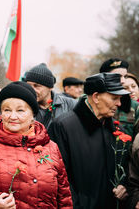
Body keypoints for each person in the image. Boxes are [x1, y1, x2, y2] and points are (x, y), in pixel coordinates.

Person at [0, 81, 72, 209]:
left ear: (33, 114)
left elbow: (64, 197)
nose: (12, 116)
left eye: (20, 110)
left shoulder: (51, 147)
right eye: (7, 110)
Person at [48, 73, 130, 209]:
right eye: (114, 98)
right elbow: (57, 177)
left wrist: (124, 186)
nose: (119, 103)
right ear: (96, 97)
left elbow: (126, 169)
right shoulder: (63, 127)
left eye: (120, 98)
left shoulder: (118, 130)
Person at [23, 63, 76, 129]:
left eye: (37, 86)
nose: (32, 90)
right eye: (29, 86)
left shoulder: (70, 104)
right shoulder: (23, 105)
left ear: (50, 87)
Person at [100, 58, 139, 137]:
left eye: (125, 76)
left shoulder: (134, 106)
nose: (123, 81)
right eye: (117, 76)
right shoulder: (94, 101)